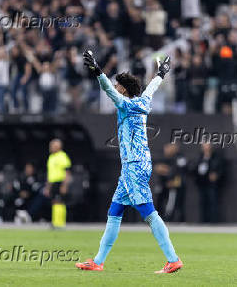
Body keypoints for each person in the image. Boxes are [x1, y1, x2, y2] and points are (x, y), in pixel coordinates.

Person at [75, 50, 182, 273]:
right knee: (114, 212)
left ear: (123, 89)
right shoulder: (143, 101)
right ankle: (98, 261)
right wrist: (161, 73)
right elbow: (152, 87)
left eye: (117, 86)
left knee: (149, 213)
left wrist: (97, 71)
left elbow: (106, 89)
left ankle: (173, 259)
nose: (115, 88)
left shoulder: (125, 105)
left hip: (134, 164)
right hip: (134, 165)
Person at [154, 143, 188, 222]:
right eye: (166, 149)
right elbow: (158, 168)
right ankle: (159, 219)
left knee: (173, 203)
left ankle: (174, 219)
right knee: (160, 201)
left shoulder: (180, 158)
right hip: (163, 184)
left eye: (169, 149)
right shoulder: (162, 157)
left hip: (175, 186)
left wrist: (168, 171)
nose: (167, 150)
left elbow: (179, 171)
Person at [192, 143, 224, 223]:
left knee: (213, 203)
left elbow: (221, 170)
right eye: (204, 147)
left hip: (212, 185)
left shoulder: (216, 158)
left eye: (207, 147)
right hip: (202, 184)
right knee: (203, 203)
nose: (206, 148)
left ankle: (213, 221)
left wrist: (216, 175)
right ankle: (203, 221)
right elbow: (195, 169)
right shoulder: (199, 157)